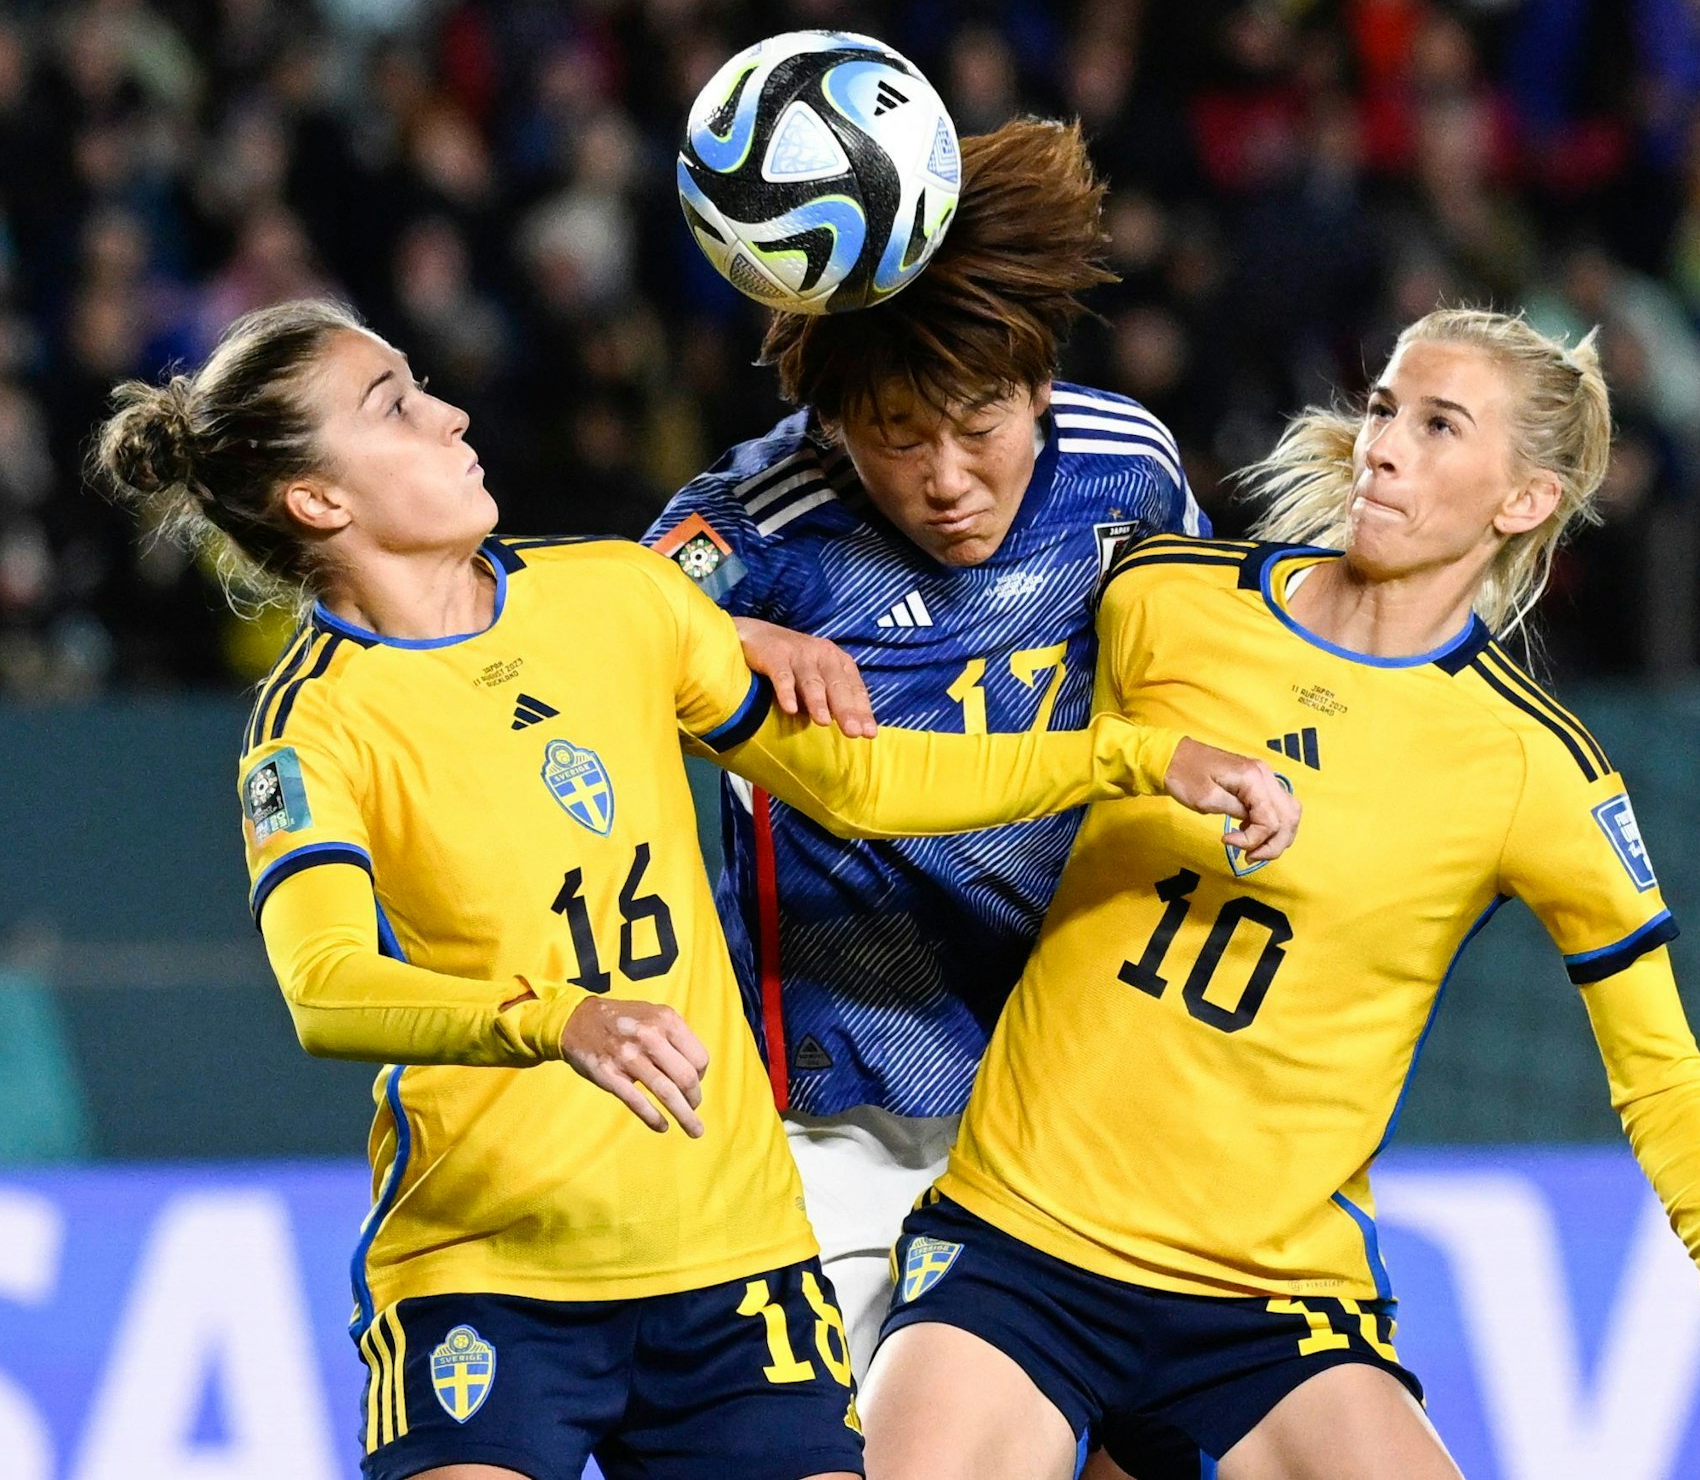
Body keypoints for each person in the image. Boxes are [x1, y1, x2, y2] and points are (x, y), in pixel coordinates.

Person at [89, 298, 1297, 1480]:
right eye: (394, 406)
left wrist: (1137, 757)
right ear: (318, 500)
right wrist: (557, 1019)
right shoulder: (314, 729)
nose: (452, 414)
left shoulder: (612, 593)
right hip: (493, 1267)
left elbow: (858, 784)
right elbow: (326, 991)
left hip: (731, 1256)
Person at [859, 307, 1700, 1480]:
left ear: (1523, 502)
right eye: (1385, 407)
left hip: (1270, 1307)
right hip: (1024, 1243)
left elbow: (1659, 1065)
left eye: (1438, 426)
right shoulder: (1162, 599)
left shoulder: (1531, 770)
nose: (1382, 445)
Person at [644, 118, 1204, 1381]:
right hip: (837, 1112)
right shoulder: (754, 524)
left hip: (1071, 1083)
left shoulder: (1128, 473)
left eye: (980, 424)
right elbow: (578, 645)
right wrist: (718, 632)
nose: (947, 478)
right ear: (836, 426)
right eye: (898, 437)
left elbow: (1207, 680)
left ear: (1039, 385)